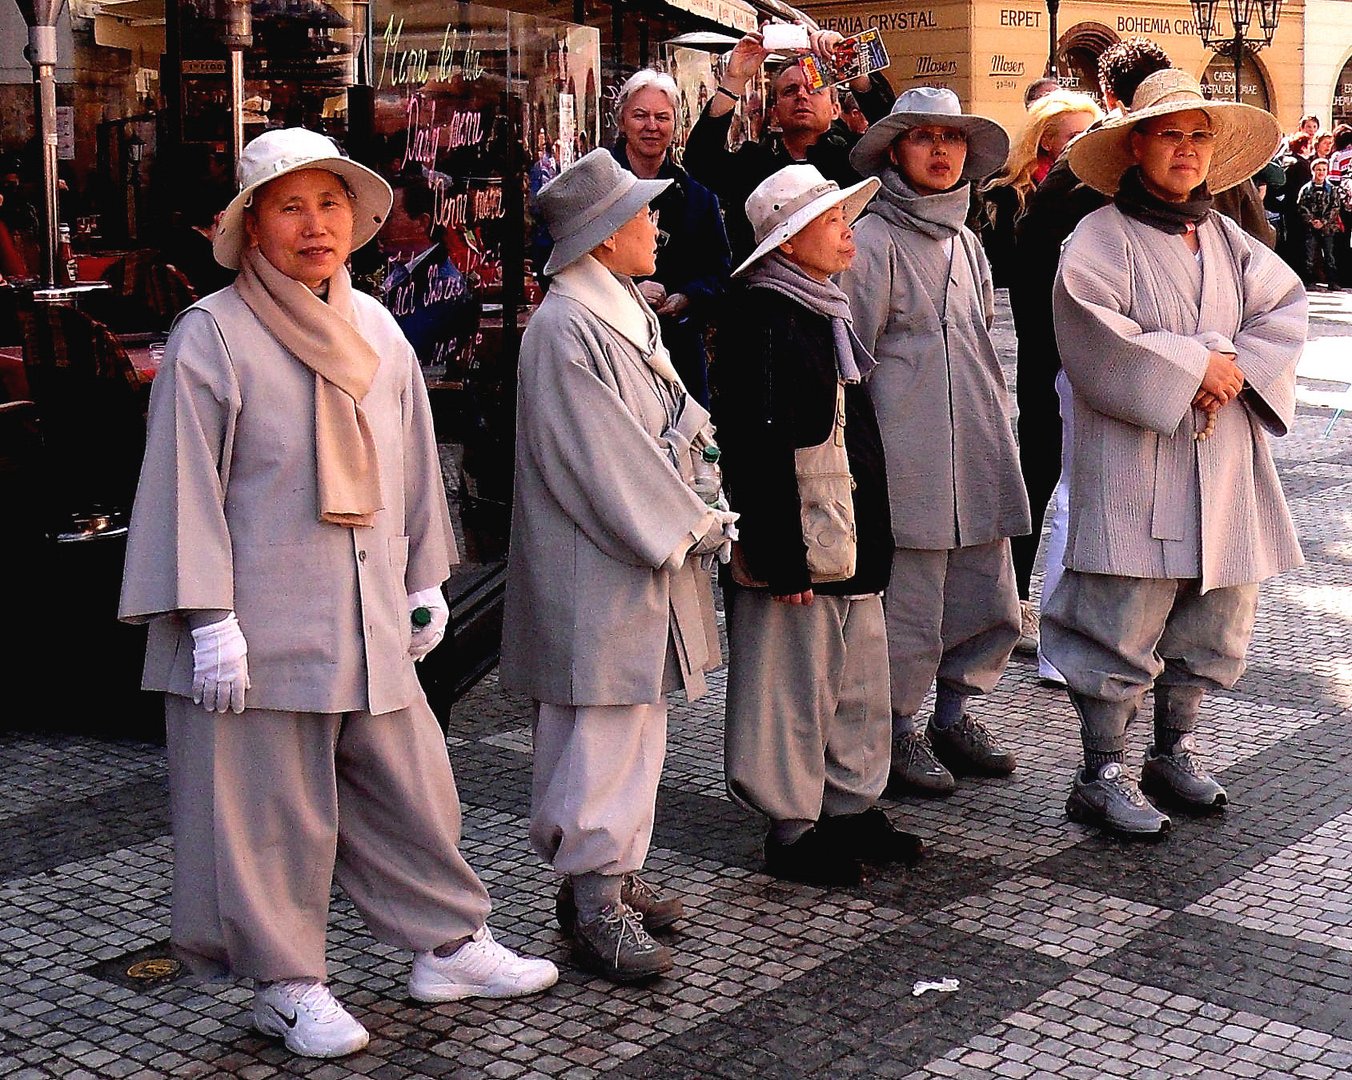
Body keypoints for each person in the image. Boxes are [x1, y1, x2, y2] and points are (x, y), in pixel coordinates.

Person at [117, 128, 558, 1061]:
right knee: (269, 814)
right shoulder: (214, 335)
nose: (315, 225)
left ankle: (446, 943)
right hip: (256, 623)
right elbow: (183, 484)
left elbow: (410, 467)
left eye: (329, 204)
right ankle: (285, 985)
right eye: (289, 206)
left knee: (411, 786)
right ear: (251, 228)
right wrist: (209, 621)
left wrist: (425, 577)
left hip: (365, 611)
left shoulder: (377, 328)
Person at [1047, 70, 1306, 837]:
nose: (1187, 150)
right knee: (1117, 613)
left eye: (1199, 136)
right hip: (1136, 460)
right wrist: (1197, 365)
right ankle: (1100, 773)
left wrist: (1232, 371)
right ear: (1137, 145)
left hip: (1221, 459)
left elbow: (1284, 311)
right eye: (1171, 134)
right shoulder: (1097, 236)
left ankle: (1173, 750)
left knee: (1211, 612)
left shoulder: (1230, 237)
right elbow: (1093, 334)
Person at [502, 149, 736, 983]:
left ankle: (613, 876)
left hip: (626, 566)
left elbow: (668, 424)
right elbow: (605, 460)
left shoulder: (617, 314)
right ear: (603, 240)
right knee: (597, 733)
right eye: (642, 215)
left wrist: (697, 484)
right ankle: (591, 901)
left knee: (635, 724)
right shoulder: (568, 329)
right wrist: (692, 519)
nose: (656, 225)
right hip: (595, 571)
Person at [714, 164, 922, 886]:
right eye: (832, 220)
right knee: (791, 686)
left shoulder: (822, 309)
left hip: (843, 533)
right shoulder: (764, 317)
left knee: (857, 678)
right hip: (801, 541)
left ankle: (850, 806)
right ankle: (793, 826)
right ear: (787, 241)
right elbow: (754, 441)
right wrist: (777, 554)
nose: (847, 230)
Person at [840, 88, 1028, 799]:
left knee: (983, 591)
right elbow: (852, 360)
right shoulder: (873, 241)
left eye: (952, 140)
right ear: (896, 150)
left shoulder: (968, 243)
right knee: (909, 604)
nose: (942, 153)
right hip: (905, 450)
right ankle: (894, 726)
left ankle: (954, 714)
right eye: (925, 139)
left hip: (975, 442)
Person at [1008, 37, 1173, 666]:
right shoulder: (1081, 178)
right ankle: (1063, 640)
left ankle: (1094, 636)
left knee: (1075, 489)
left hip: (1095, 363)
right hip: (1077, 366)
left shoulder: (1086, 176)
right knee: (1069, 490)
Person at [684, 28, 894, 262]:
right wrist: (734, 80)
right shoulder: (754, 165)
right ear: (774, 113)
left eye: (814, 88)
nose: (802, 96)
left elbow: (895, 133)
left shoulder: (856, 161)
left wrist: (847, 61)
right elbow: (700, 161)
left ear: (835, 109)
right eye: (789, 90)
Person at [611, 68, 732, 407]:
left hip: (678, 355)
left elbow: (721, 272)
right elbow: (558, 259)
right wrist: (628, 291)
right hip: (607, 347)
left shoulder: (697, 198)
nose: (652, 126)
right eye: (640, 115)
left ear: (675, 125)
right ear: (622, 121)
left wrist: (688, 296)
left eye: (662, 117)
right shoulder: (594, 189)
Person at [978, 90, 1102, 286]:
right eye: (1075, 137)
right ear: (1046, 141)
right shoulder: (1009, 191)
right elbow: (1006, 263)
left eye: (1091, 136)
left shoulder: (1100, 187)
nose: (1084, 144)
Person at [1298, 157, 1343, 289]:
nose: (1321, 172)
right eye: (1318, 170)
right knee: (1309, 255)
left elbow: (1335, 208)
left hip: (1327, 228)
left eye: (1324, 170)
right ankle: (1309, 281)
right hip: (1310, 227)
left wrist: (1323, 221)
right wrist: (1312, 220)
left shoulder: (1331, 189)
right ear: (1313, 171)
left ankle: (1332, 281)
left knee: (1329, 255)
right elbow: (1301, 206)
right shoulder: (1306, 189)